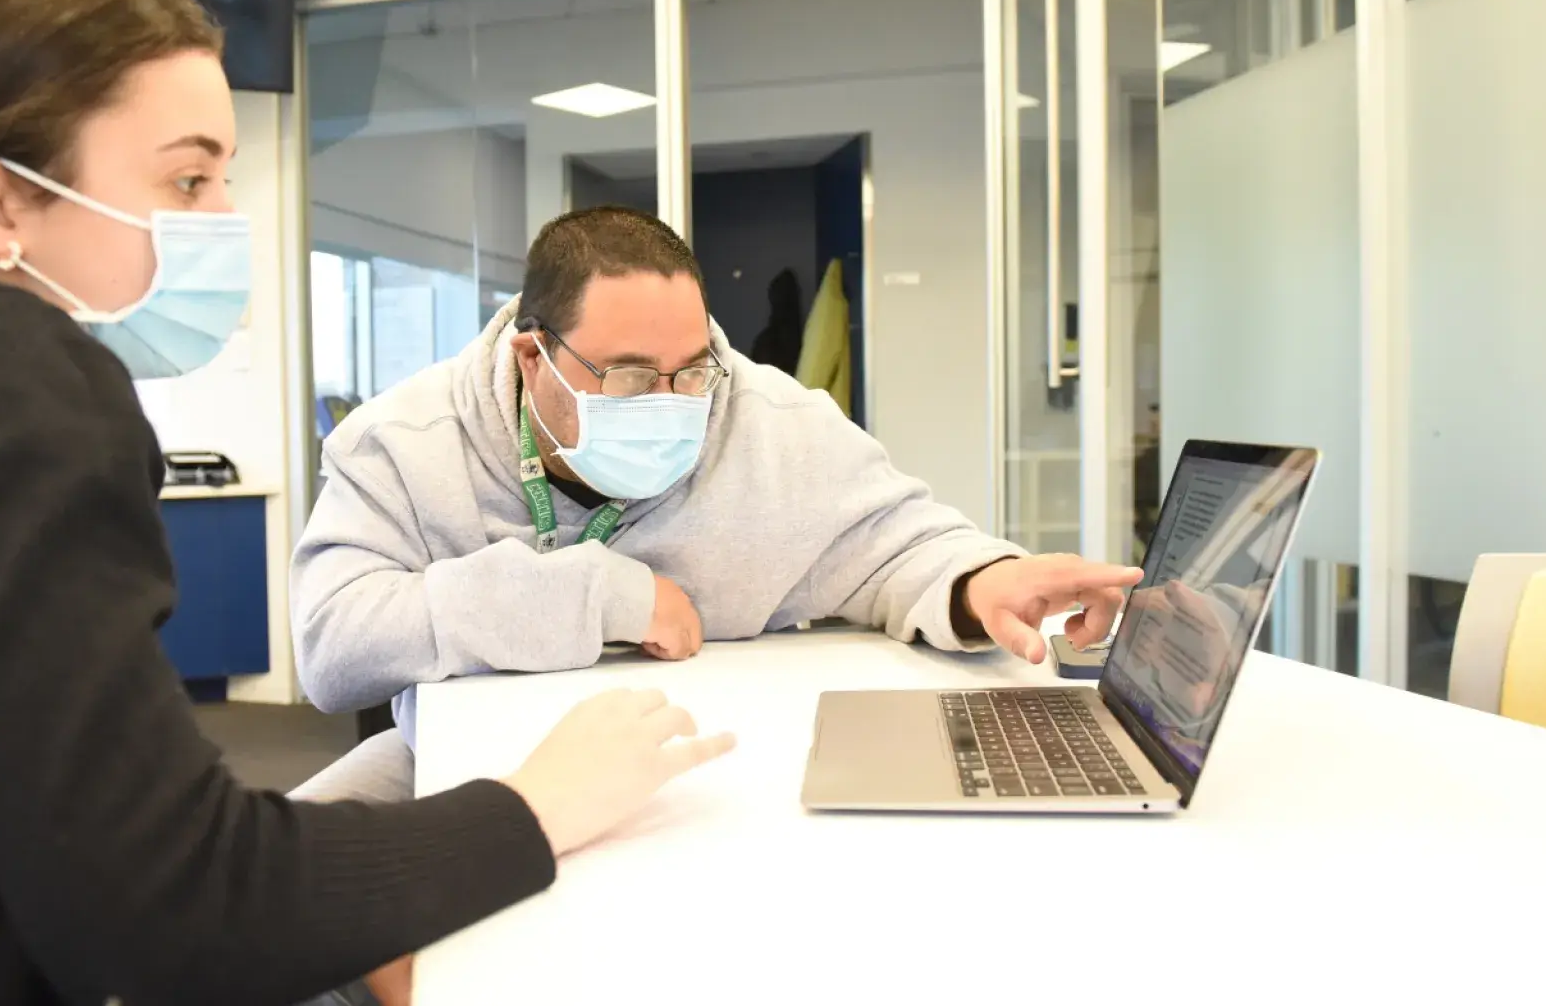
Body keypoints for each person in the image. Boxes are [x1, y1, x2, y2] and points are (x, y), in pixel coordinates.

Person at [0, 0, 730, 1006]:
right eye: (188, 177)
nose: (226, 223)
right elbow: (171, 907)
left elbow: (50, 830)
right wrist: (537, 804)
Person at [290, 206, 1143, 801]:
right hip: (471, 779)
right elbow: (332, 644)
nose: (671, 401)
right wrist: (605, 595)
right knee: (240, 916)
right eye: (626, 374)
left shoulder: (770, 420)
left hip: (707, 778)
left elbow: (899, 546)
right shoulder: (403, 440)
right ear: (530, 358)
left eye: (691, 370)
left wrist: (980, 580)